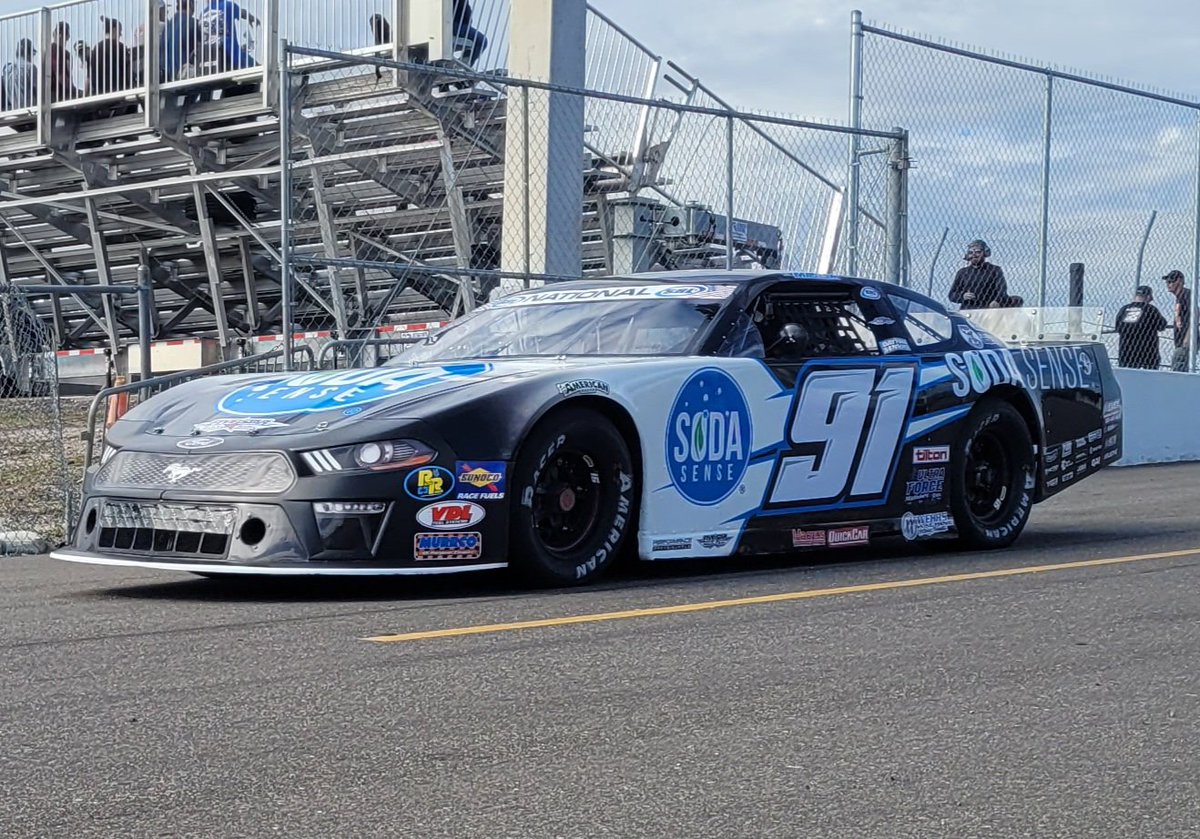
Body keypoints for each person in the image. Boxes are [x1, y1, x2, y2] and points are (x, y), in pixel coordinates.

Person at [1114, 285, 1167, 370]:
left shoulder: (1124, 309)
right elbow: (1162, 325)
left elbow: (1118, 327)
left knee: (1127, 374)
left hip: (1126, 351)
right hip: (1147, 352)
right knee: (1150, 376)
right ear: (1148, 296)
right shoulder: (1150, 309)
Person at [948, 239, 1008, 310]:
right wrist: (962, 296)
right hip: (968, 309)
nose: (974, 255)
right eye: (970, 252)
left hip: (988, 308)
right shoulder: (962, 272)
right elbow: (952, 295)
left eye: (978, 252)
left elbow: (1002, 290)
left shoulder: (994, 270)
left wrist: (996, 301)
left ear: (985, 253)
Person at [162, 0, 202, 82]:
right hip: (184, 75)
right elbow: (203, 49)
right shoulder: (193, 23)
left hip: (167, 77)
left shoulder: (166, 28)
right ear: (190, 4)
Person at [1164, 269, 1192, 372]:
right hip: (1180, 341)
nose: (1168, 284)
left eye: (1171, 281)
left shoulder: (1186, 294)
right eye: (1167, 282)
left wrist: (1188, 337)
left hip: (1184, 341)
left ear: (1180, 281)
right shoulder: (1179, 297)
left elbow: (1196, 313)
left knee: (1178, 369)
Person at [48, 21, 79, 102]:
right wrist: (72, 90)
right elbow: (60, 74)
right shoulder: (54, 50)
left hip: (60, 91)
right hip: (56, 93)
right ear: (68, 36)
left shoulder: (66, 54)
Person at [2, 38, 37, 110]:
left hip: (15, 113)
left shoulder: (7, 71)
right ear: (28, 53)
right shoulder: (30, 68)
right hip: (30, 113)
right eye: (33, 54)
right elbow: (39, 92)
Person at [452, 0, 487, 67]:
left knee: (480, 41)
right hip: (452, 25)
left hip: (454, 25)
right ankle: (463, 64)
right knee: (481, 41)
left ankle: (463, 63)